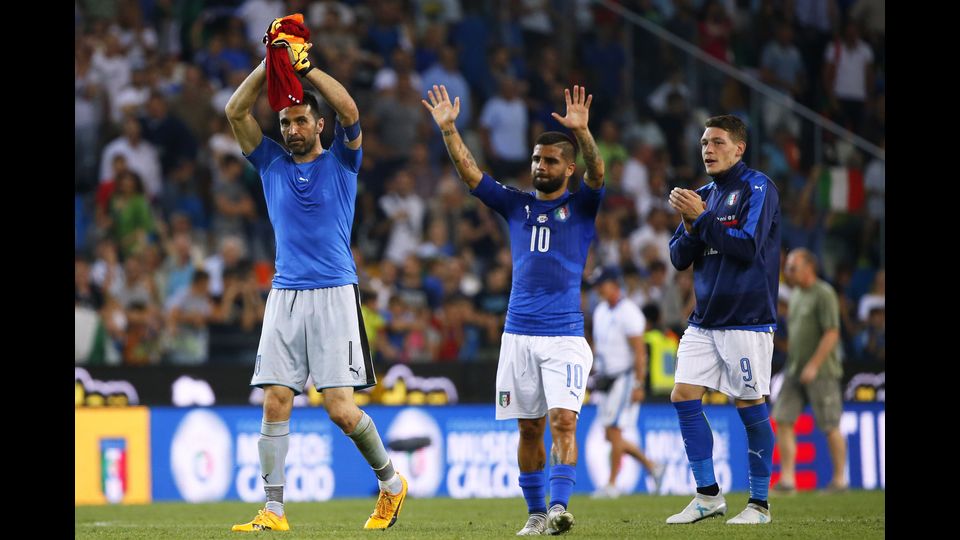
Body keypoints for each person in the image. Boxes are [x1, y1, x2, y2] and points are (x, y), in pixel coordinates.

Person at [224, 18, 407, 532]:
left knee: (341, 411)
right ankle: (274, 509)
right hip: (284, 294)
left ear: (318, 126)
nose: (291, 130)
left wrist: (307, 69)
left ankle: (391, 485)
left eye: (300, 121)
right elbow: (234, 111)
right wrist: (271, 65)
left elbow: (351, 110)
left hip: (333, 293)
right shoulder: (269, 165)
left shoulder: (344, 164)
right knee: (276, 397)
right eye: (285, 123)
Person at [422, 84, 604, 536]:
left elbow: (598, 174)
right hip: (518, 335)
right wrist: (449, 130)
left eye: (550, 161)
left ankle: (559, 508)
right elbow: (472, 176)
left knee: (564, 420)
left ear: (568, 168)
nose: (540, 167)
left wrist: (583, 134)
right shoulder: (516, 204)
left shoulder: (581, 206)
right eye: (537, 160)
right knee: (528, 430)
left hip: (563, 335)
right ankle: (536, 514)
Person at [665, 114, 781, 525]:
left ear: (739, 147)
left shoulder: (758, 187)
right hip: (704, 320)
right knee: (682, 395)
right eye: (703, 144)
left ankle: (759, 504)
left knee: (749, 404)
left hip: (747, 319)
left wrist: (702, 218)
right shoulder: (703, 195)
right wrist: (691, 219)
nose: (707, 150)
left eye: (716, 142)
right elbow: (679, 258)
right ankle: (708, 495)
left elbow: (748, 246)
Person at [772, 248, 847, 494]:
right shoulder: (795, 296)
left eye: (793, 267)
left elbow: (832, 332)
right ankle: (788, 480)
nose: (788, 272)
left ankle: (839, 481)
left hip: (822, 371)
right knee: (782, 418)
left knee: (830, 424)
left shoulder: (824, 294)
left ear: (809, 268)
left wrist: (814, 365)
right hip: (794, 370)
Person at [589, 268, 664, 499]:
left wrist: (638, 384)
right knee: (611, 435)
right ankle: (652, 466)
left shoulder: (629, 312)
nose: (598, 289)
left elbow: (640, 352)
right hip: (605, 377)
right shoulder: (601, 310)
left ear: (613, 284)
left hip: (624, 377)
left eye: (602, 284)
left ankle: (612, 484)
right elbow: (599, 346)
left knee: (614, 430)